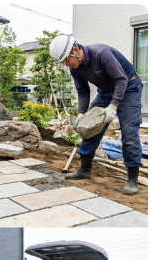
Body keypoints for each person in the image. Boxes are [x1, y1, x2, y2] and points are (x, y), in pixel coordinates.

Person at [49, 35, 144, 195]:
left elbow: (121, 79)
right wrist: (81, 113)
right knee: (89, 127)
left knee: (129, 132)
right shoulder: (75, 68)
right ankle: (85, 169)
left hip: (129, 86)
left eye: (66, 60)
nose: (66, 65)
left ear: (75, 50)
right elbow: (82, 91)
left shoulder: (101, 53)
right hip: (106, 91)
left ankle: (132, 178)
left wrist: (113, 106)